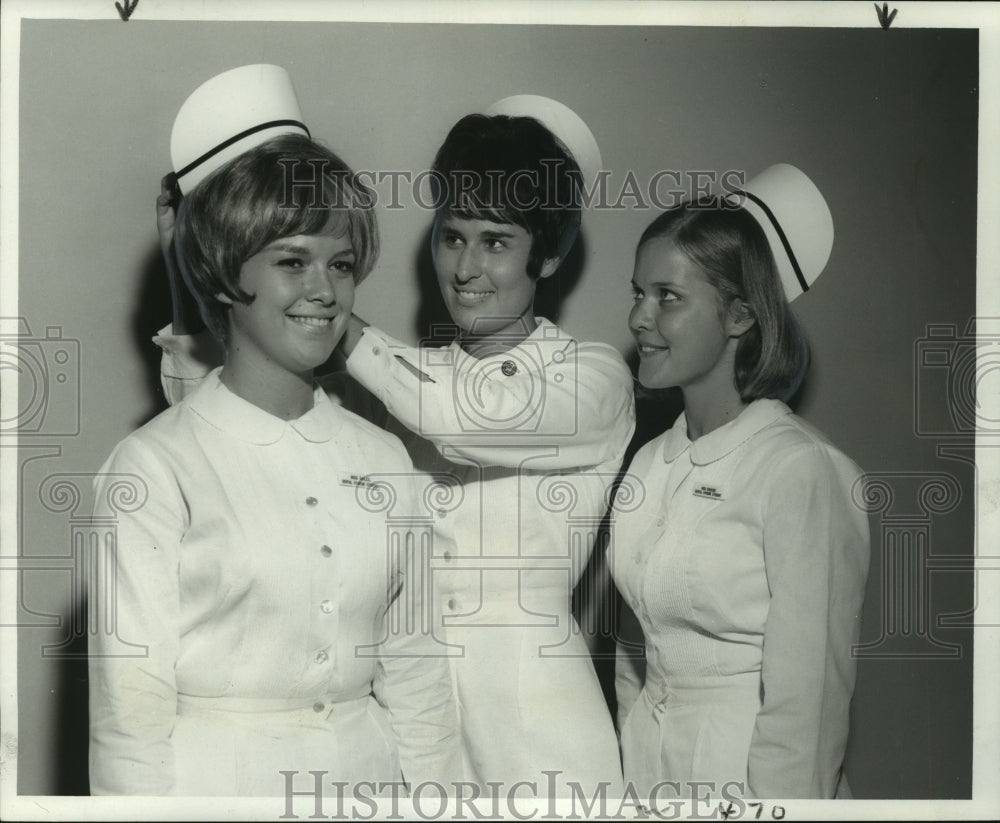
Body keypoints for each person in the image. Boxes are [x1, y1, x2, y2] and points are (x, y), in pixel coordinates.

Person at [155, 96, 634, 797]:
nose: (465, 267)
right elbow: (220, 410)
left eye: (496, 241)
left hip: (535, 720)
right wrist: (190, 262)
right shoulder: (410, 376)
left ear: (551, 255)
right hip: (409, 710)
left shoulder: (592, 377)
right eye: (452, 235)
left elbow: (467, 419)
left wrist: (330, 313)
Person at [88, 65, 460, 797]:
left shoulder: (385, 457)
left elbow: (419, 684)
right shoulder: (153, 469)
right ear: (226, 272)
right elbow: (129, 726)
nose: (325, 291)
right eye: (293, 261)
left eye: (342, 263)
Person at [610, 165, 870, 801]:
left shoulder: (800, 469)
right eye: (638, 292)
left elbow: (808, 700)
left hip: (749, 779)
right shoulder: (646, 464)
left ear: (740, 316)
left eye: (667, 297)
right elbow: (631, 659)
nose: (640, 318)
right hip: (647, 774)